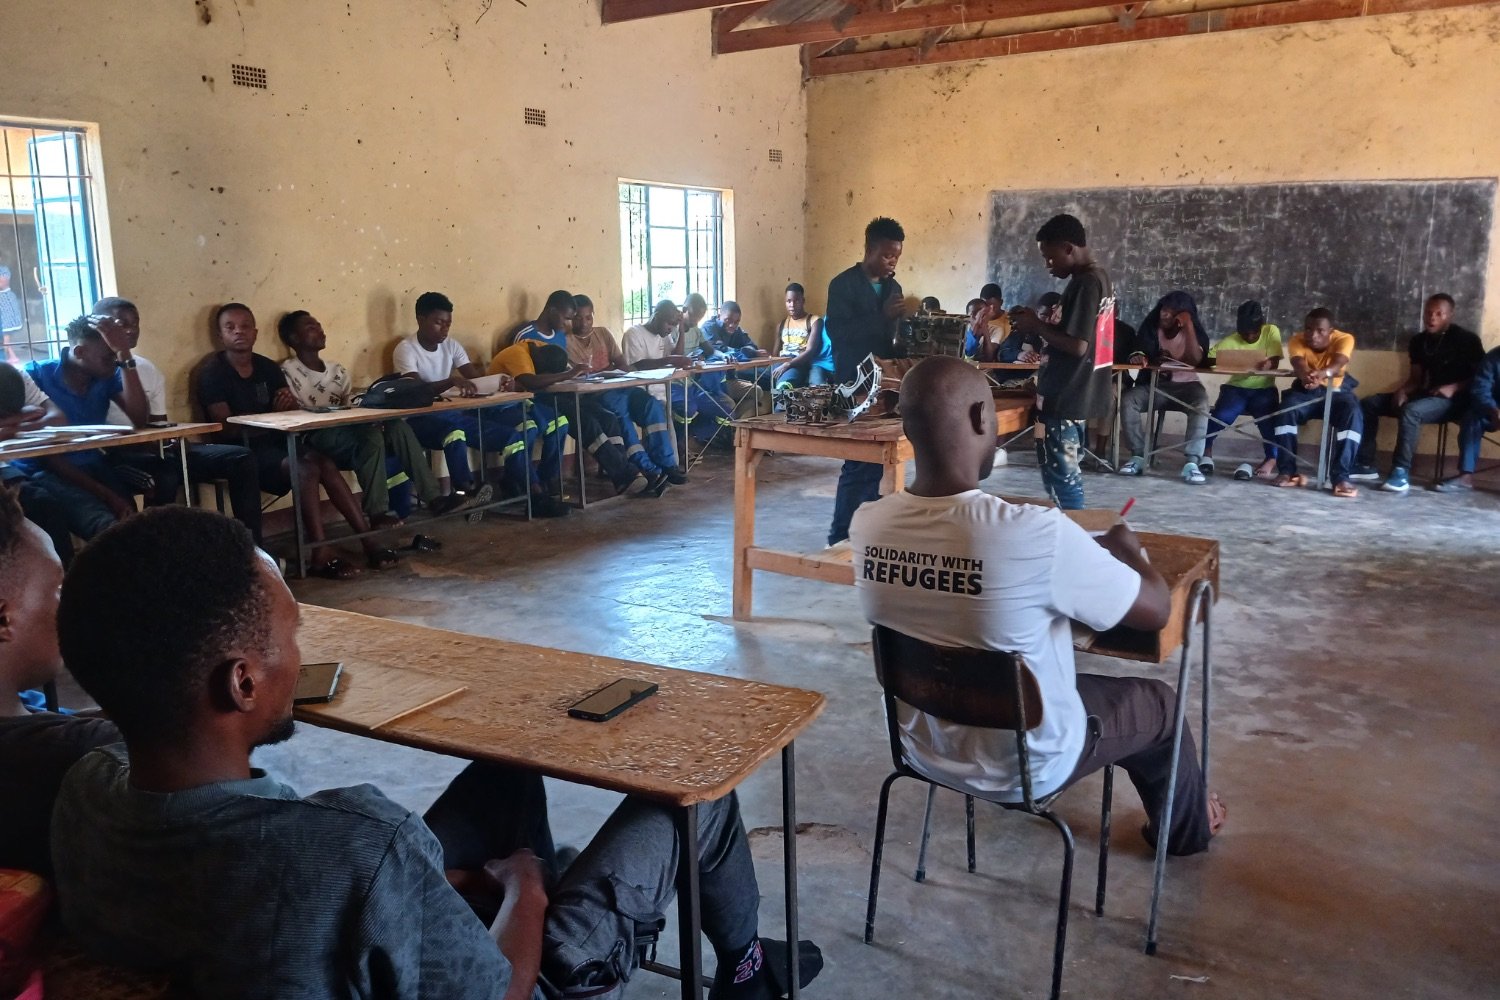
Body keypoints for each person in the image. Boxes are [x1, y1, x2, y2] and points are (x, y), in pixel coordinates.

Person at [50, 506, 816, 1000]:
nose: (300, 654)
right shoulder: (356, 843)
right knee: (696, 799)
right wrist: (525, 890)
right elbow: (502, 993)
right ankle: (745, 976)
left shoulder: (85, 787)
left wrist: (439, 880)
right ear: (243, 682)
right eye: (291, 640)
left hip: (267, 941)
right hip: (524, 983)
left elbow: (333, 892)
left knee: (506, 766)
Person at [850, 357, 1225, 855]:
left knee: (1032, 675)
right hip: (1027, 765)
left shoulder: (868, 525)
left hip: (924, 748)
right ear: (984, 419)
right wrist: (1131, 554)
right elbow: (1155, 611)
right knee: (1159, 706)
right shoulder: (1033, 532)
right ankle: (1186, 829)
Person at [197, 302, 395, 576]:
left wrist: (282, 412)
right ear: (220, 336)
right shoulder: (212, 373)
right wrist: (269, 417)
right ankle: (319, 552)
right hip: (242, 453)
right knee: (306, 467)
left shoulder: (267, 368)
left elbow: (289, 412)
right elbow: (226, 428)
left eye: (245, 327)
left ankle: (368, 541)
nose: (238, 332)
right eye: (230, 327)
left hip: (278, 443)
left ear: (255, 333)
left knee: (324, 462)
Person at [0, 486, 120, 876]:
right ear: (3, 619)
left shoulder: (36, 712)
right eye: (56, 586)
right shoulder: (89, 758)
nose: (67, 603)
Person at [89, 296, 266, 542]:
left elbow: (158, 422)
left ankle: (252, 549)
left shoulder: (147, 369)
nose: (130, 329)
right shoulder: (93, 369)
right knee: (166, 474)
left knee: (241, 458)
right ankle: (162, 549)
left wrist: (170, 440)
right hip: (120, 455)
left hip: (156, 449)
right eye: (121, 323)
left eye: (135, 323)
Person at [279, 310, 472, 522]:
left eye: (319, 325)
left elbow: (350, 406)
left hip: (346, 428)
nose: (320, 330)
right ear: (294, 338)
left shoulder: (337, 370)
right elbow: (291, 412)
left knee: (396, 426)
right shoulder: (287, 371)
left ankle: (435, 499)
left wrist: (372, 418)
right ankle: (377, 512)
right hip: (316, 434)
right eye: (311, 328)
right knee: (371, 438)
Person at [393, 292, 568, 518]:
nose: (444, 330)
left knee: (512, 439)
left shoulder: (452, 346)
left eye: (448, 324)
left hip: (453, 413)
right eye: (438, 323)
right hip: (420, 418)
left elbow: (475, 380)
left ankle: (536, 497)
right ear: (420, 319)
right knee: (454, 434)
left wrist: (499, 382)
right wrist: (451, 380)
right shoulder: (406, 349)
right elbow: (415, 390)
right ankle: (464, 492)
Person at [1008, 214, 1114, 510]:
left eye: (1049, 258)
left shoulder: (1085, 283)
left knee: (1063, 481)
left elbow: (1078, 346)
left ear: (1068, 248)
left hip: (1066, 395)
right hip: (1077, 393)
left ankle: (1074, 536)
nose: (1048, 265)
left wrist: (1036, 326)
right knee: (1062, 471)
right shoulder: (1100, 277)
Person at [12, 315, 151, 541]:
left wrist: (125, 355)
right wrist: (106, 495)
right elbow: (49, 455)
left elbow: (139, 418)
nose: (114, 363)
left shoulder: (105, 375)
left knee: (132, 523)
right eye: (109, 357)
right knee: (105, 526)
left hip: (90, 463)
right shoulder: (37, 374)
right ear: (79, 353)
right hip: (44, 468)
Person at [824, 216, 907, 545]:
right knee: (858, 462)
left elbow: (892, 341)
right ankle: (840, 536)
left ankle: (864, 534)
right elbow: (839, 334)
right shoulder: (842, 285)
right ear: (870, 250)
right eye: (888, 255)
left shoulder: (893, 288)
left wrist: (905, 325)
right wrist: (881, 317)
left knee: (879, 464)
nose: (893, 262)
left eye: (898, 256)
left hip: (884, 385)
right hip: (853, 384)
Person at [1350, 293, 1485, 493]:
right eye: (1429, 313)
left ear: (1450, 315)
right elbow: (1416, 378)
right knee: (1370, 403)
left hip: (1455, 401)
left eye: (1439, 314)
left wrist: (1454, 387)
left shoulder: (1467, 340)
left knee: (1412, 411)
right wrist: (1403, 390)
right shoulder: (1419, 341)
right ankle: (1365, 463)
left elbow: (1481, 377)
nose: (1432, 318)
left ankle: (1400, 471)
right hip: (1426, 395)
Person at [490, 338, 644, 497]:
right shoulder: (518, 354)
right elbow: (532, 382)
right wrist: (566, 374)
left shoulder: (543, 349)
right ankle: (623, 473)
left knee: (606, 417)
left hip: (553, 394)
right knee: (584, 421)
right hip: (524, 401)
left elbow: (563, 371)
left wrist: (573, 373)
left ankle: (621, 472)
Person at [568, 295, 684, 491]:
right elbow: (576, 375)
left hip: (621, 385)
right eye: (578, 318)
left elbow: (624, 365)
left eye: (588, 317)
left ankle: (668, 465)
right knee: (622, 415)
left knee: (651, 406)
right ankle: (648, 469)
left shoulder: (602, 334)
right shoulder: (566, 340)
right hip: (596, 394)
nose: (584, 323)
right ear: (571, 318)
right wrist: (606, 370)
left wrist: (610, 370)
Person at [1117, 291, 1212, 484]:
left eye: (1171, 311)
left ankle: (1192, 463)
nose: (1164, 314)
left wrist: (1188, 326)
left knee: (1201, 401)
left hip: (1187, 386)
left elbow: (1195, 359)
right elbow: (1138, 349)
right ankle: (1138, 456)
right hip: (1155, 385)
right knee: (1129, 399)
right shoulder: (1151, 328)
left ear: (1183, 315)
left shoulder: (1194, 332)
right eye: (1163, 309)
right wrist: (1140, 356)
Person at [1270, 308, 1363, 498]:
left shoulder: (1344, 339)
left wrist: (1322, 374)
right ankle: (1288, 472)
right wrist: (1306, 377)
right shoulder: (1297, 340)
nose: (1313, 335)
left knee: (1353, 413)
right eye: (1309, 329)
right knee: (1286, 410)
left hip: (1337, 392)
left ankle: (1341, 478)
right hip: (1306, 391)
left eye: (1320, 331)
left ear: (1331, 332)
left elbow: (1338, 363)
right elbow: (1299, 364)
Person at [623, 300, 730, 450]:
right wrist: (669, 359)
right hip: (641, 393)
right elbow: (637, 365)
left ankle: (673, 458)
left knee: (670, 439)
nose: (670, 328)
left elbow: (676, 355)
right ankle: (666, 461)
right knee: (665, 433)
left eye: (674, 325)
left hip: (662, 392)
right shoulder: (633, 333)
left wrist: (680, 331)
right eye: (669, 324)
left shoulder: (664, 335)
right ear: (657, 316)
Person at [1200, 301, 1283, 480]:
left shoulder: (1271, 331)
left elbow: (1275, 361)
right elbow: (1208, 360)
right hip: (1236, 389)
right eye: (1245, 333)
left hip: (1264, 389)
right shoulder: (1231, 340)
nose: (1250, 336)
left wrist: (1267, 364)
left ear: (1262, 325)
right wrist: (1229, 361)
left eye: (1254, 331)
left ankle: (1272, 458)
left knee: (1268, 419)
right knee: (1222, 415)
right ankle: (1205, 449)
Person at [0, 365, 74, 564]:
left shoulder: (12, 375)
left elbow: (58, 419)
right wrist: (20, 418)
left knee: (45, 504)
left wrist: (13, 425)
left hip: (5, 471)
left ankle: (63, 584)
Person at [1438, 343, 1500, 492]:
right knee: (1472, 417)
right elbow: (1479, 389)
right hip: (1492, 412)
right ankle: (1465, 477)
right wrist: (1493, 410)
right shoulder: (1493, 358)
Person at [770, 283, 833, 392]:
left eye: (796, 301)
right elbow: (775, 354)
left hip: (797, 364)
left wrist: (787, 365)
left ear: (803, 301)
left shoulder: (814, 321)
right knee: (748, 376)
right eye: (788, 301)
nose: (792, 305)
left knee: (784, 386)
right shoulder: (781, 324)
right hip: (779, 364)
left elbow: (810, 351)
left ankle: (781, 408)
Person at [0, 266, 23, 365]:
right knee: (5, 338)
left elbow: (3, 284)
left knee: (6, 337)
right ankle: (11, 356)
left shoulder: (4, 270)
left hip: (6, 305)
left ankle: (8, 358)